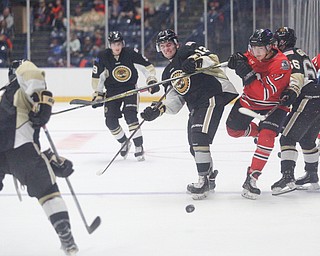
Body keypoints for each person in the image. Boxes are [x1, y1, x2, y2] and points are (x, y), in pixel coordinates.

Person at [141, 29, 238, 199]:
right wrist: (158, 109)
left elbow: (212, 59)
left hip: (211, 94)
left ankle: (203, 182)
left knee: (199, 137)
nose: (166, 49)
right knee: (194, 145)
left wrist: (195, 62)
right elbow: (175, 100)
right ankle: (209, 176)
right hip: (196, 105)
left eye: (169, 44)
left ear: (176, 43)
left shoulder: (188, 49)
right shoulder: (168, 73)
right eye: (162, 46)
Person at [0, 60, 78, 255]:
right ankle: (66, 237)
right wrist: (44, 102)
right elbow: (32, 74)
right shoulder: (20, 84)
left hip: (10, 151)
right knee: (47, 190)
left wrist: (49, 159)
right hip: (20, 151)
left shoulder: (7, 99)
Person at [226, 28, 291, 200]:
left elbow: (264, 94)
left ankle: (252, 178)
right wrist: (238, 59)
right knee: (232, 130)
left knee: (267, 138)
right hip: (249, 101)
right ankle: (256, 132)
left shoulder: (281, 63)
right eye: (253, 48)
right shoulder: (253, 54)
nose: (255, 52)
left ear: (270, 47)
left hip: (275, 106)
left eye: (260, 48)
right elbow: (246, 59)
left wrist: (246, 73)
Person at [91, 31, 159, 161]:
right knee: (110, 121)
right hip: (112, 91)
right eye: (113, 44)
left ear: (122, 43)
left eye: (119, 44)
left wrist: (151, 80)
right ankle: (124, 142)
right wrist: (98, 94)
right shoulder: (102, 57)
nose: (117, 47)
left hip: (130, 89)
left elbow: (147, 67)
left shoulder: (130, 53)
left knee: (130, 115)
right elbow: (97, 77)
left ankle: (139, 146)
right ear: (109, 45)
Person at [271, 27, 320, 195]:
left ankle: (287, 177)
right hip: (317, 97)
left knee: (287, 137)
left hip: (306, 98)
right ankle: (312, 176)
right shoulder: (301, 53)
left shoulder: (287, 56)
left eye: (277, 40)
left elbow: (294, 78)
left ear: (282, 41)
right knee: (307, 140)